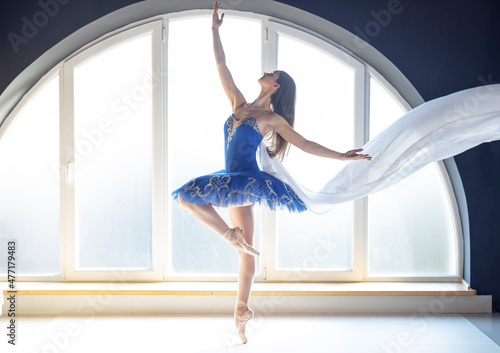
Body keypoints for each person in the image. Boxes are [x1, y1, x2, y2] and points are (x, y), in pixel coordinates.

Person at [172, 1, 372, 344]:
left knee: (241, 247)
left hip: (247, 181)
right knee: (191, 202)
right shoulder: (238, 103)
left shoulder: (271, 120)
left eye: (272, 74)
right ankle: (240, 303)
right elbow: (221, 63)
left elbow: (305, 144)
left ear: (275, 87)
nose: (266, 72)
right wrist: (214, 32)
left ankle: (239, 303)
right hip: (229, 179)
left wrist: (342, 155)